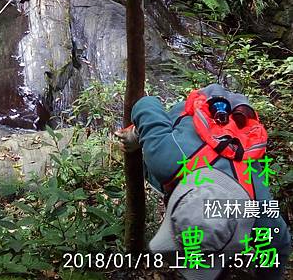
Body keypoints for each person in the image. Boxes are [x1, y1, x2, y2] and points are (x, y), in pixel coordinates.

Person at [116, 83, 291, 279]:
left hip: (219, 141)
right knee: (153, 169)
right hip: (190, 120)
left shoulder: (258, 211)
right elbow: (146, 104)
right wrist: (137, 135)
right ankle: (217, 259)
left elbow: (278, 244)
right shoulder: (165, 158)